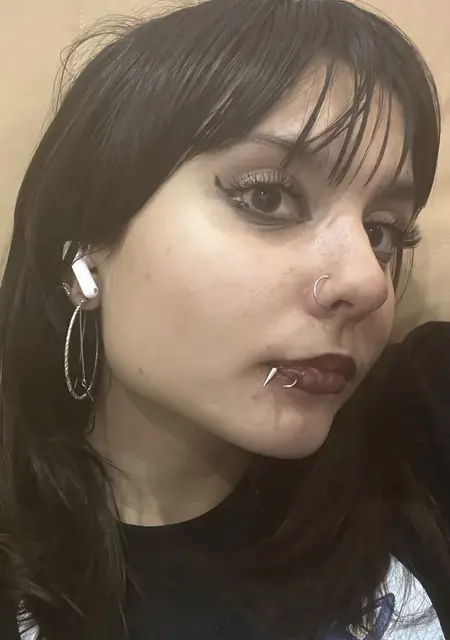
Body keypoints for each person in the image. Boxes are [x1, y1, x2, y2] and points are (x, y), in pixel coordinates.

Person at [0, 0, 448, 637]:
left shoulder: (416, 455)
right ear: (87, 241)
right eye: (268, 196)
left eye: (382, 232)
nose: (367, 282)